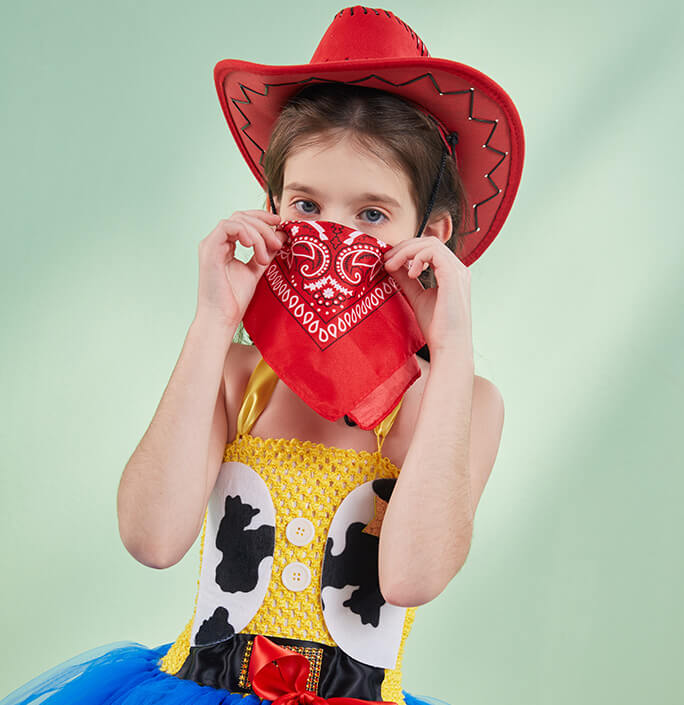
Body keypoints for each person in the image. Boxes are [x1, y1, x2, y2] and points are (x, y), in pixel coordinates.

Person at [0, 6, 523, 705]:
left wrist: (452, 351)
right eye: (307, 206)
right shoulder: (237, 375)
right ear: (271, 208)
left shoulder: (465, 403)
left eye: (371, 215)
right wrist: (214, 319)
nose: (333, 236)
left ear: (428, 233)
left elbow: (411, 576)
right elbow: (152, 538)